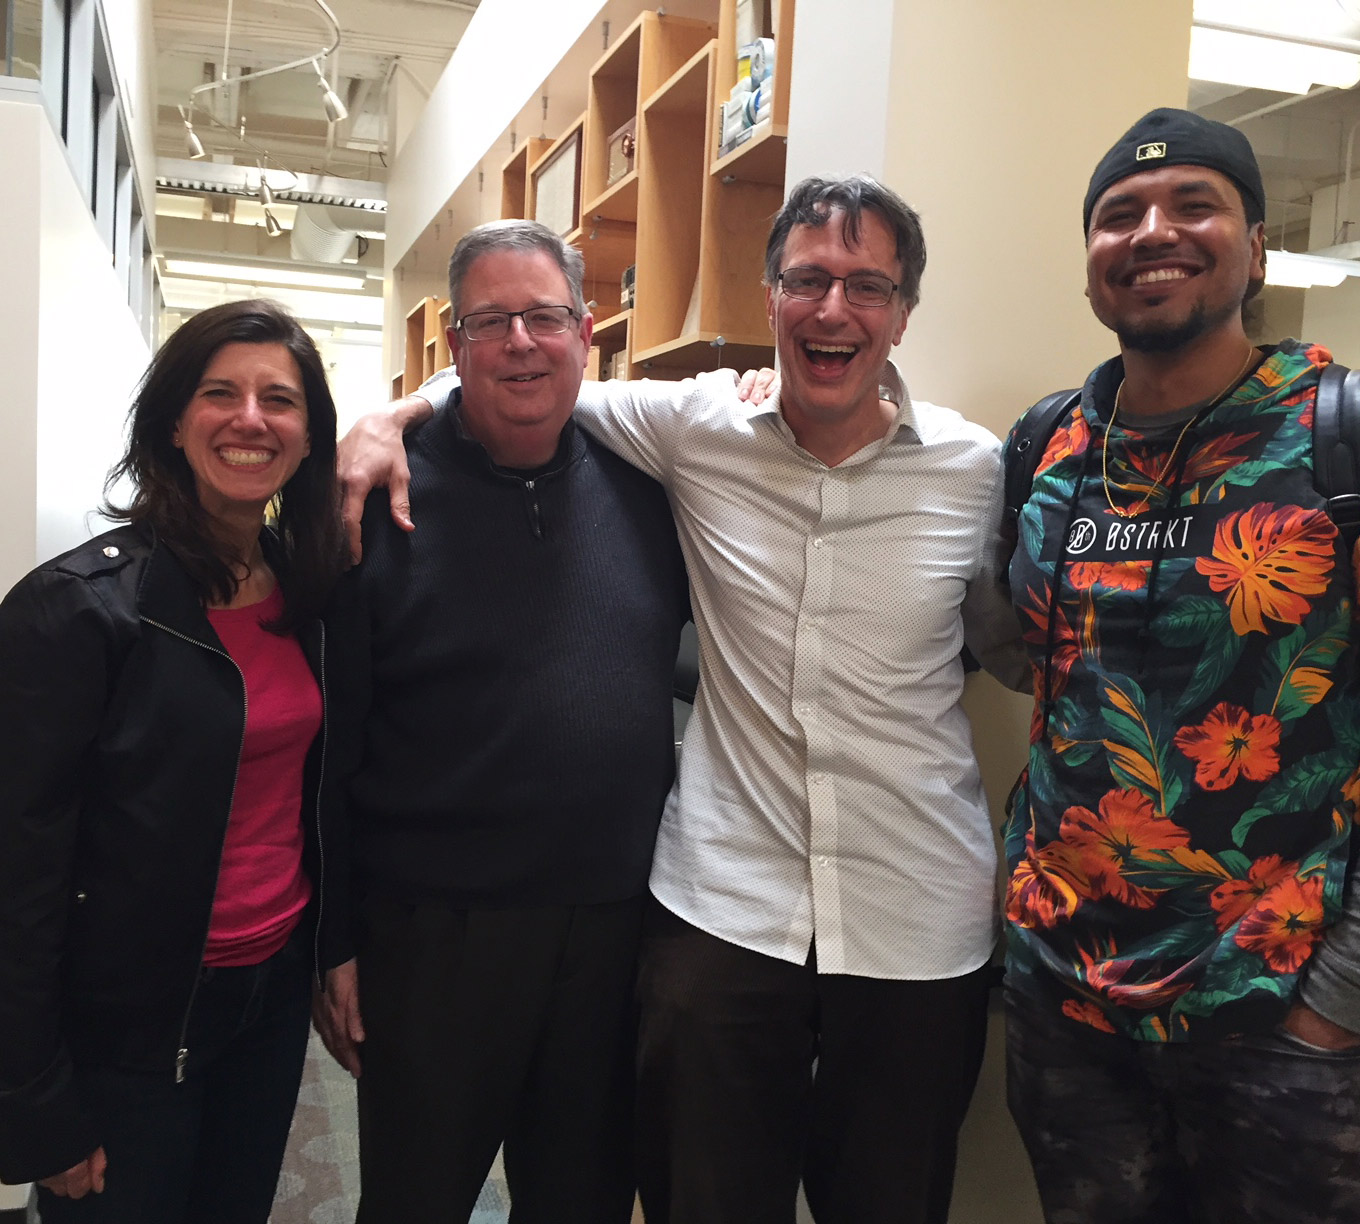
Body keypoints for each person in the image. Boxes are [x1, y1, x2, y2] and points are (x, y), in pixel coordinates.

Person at [336, 176, 1026, 1224]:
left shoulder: (978, 472)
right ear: (768, 296)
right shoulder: (690, 432)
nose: (832, 309)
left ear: (902, 311)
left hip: (910, 918)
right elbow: (523, 372)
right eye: (806, 280)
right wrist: (386, 414)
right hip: (717, 915)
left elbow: (1017, 647)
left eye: (865, 286)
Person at [1001, 107, 1360, 1224]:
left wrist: (1342, 1001)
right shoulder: (1049, 446)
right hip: (1068, 1012)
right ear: (1090, 264)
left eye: (1193, 203)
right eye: (1119, 214)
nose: (1153, 230)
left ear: (1256, 245)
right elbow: (1024, 661)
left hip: (1284, 1023)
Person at [313, 219, 688, 1223]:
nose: (521, 342)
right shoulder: (372, 502)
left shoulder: (655, 488)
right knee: (414, 1201)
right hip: (432, 940)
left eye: (544, 316)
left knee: (582, 1203)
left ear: (587, 328)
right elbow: (330, 744)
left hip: (614, 935)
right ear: (455, 350)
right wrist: (333, 940)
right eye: (492, 322)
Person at [0, 298, 349, 1222]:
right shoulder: (75, 613)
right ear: (174, 421)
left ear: (306, 436)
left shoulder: (313, 592)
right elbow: (10, 881)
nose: (251, 419)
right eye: (221, 393)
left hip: (268, 997)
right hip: (127, 1024)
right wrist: (27, 1100)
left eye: (279, 401)